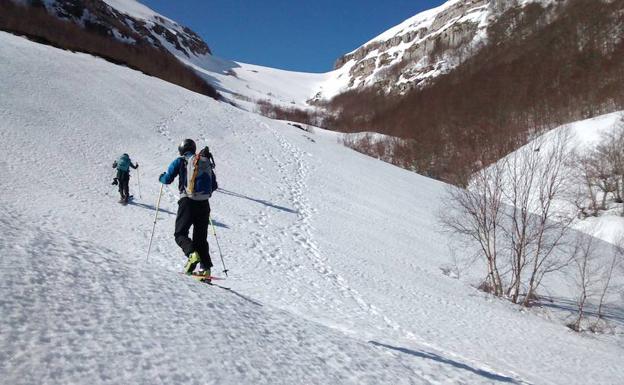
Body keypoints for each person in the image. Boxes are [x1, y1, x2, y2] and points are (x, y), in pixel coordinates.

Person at [159, 139, 215, 278]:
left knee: (180, 234)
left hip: (187, 202)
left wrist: (161, 177)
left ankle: (192, 254)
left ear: (182, 150)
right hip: (204, 203)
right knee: (201, 238)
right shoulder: (204, 162)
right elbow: (214, 185)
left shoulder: (181, 161)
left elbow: (167, 179)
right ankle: (205, 269)